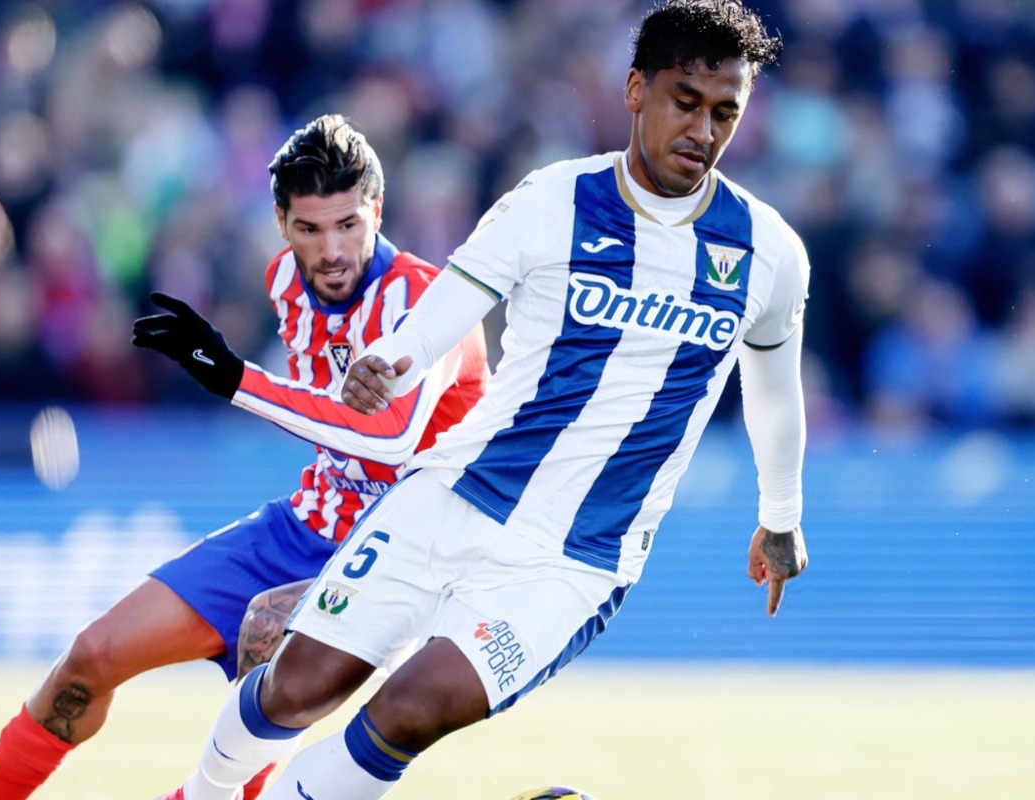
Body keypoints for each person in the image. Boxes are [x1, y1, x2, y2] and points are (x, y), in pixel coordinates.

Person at [160, 3, 809, 798]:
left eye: (724, 113)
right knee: (299, 684)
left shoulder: (768, 253)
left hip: (577, 557)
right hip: (454, 495)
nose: (704, 131)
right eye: (686, 101)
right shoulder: (551, 202)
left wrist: (780, 515)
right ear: (637, 90)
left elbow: (773, 390)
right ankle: (203, 791)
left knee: (411, 708)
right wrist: (388, 361)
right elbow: (442, 314)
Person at [0, 114, 488, 800]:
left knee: (258, 713)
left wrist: (236, 379)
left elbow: (388, 437)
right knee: (90, 657)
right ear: (281, 222)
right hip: (300, 527)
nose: (331, 249)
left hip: (394, 561)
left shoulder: (427, 301)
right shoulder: (285, 282)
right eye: (309, 229)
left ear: (378, 210)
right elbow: (324, 420)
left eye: (348, 225)